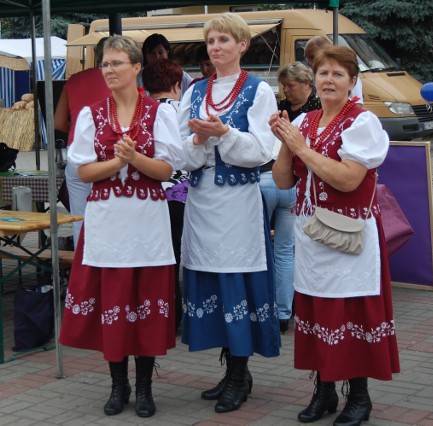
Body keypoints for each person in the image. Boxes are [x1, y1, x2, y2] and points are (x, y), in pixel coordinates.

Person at [270, 45, 399, 425]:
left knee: (350, 311)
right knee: (315, 310)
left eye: (337, 74)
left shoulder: (362, 122)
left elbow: (347, 179)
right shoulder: (307, 121)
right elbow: (282, 180)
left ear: (352, 82)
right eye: (323, 73)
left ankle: (358, 397)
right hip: (312, 235)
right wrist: (284, 140)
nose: (328, 79)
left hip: (349, 237)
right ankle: (323, 391)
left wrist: (301, 148)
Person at [60, 36, 184, 418]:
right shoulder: (91, 114)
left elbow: (168, 168)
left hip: (147, 222)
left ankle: (145, 386)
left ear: (136, 67)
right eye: (105, 64)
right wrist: (117, 164)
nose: (109, 70)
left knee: (144, 303)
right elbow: (82, 169)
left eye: (116, 63)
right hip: (108, 221)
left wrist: (135, 158)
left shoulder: (159, 112)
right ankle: (119, 384)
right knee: (113, 302)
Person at [178, 13, 280, 414]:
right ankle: (229, 367)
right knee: (213, 285)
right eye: (211, 40)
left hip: (238, 205)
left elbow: (262, 151)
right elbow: (182, 156)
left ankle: (240, 372)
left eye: (224, 40)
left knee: (237, 283)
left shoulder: (258, 90)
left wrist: (225, 135)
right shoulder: (196, 91)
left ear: (242, 45)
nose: (216, 46)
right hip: (202, 204)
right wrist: (201, 141)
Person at [261, 62, 321, 334]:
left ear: (307, 85)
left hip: (291, 185)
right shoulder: (281, 108)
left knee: (281, 249)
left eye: (291, 85)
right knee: (282, 249)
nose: (285, 89)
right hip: (279, 181)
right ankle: (282, 309)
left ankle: (280, 310)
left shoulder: (315, 114)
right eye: (283, 84)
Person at [142, 58, 188, 332]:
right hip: (178, 193)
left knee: (161, 255)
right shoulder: (178, 110)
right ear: (175, 83)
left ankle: (164, 312)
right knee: (173, 256)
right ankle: (174, 314)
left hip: (153, 192)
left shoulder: (144, 111)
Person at [54, 37, 110, 248]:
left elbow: (58, 122)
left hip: (75, 153)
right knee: (109, 219)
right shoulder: (118, 81)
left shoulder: (74, 80)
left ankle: (81, 276)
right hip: (106, 155)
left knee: (80, 220)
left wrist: (79, 132)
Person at [304, 36, 363, 105]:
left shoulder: (348, 75)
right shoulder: (311, 74)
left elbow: (357, 105)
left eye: (312, 57)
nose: (309, 62)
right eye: (306, 58)